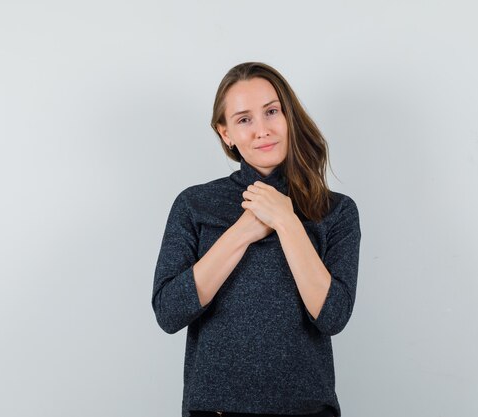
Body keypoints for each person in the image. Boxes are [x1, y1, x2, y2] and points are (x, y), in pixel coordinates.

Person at [152, 62, 361, 417]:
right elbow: (170, 312)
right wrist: (242, 232)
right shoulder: (195, 204)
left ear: (289, 116)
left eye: (271, 112)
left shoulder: (335, 211)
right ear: (225, 133)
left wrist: (286, 220)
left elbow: (332, 316)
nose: (262, 130)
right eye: (244, 119)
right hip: (215, 411)